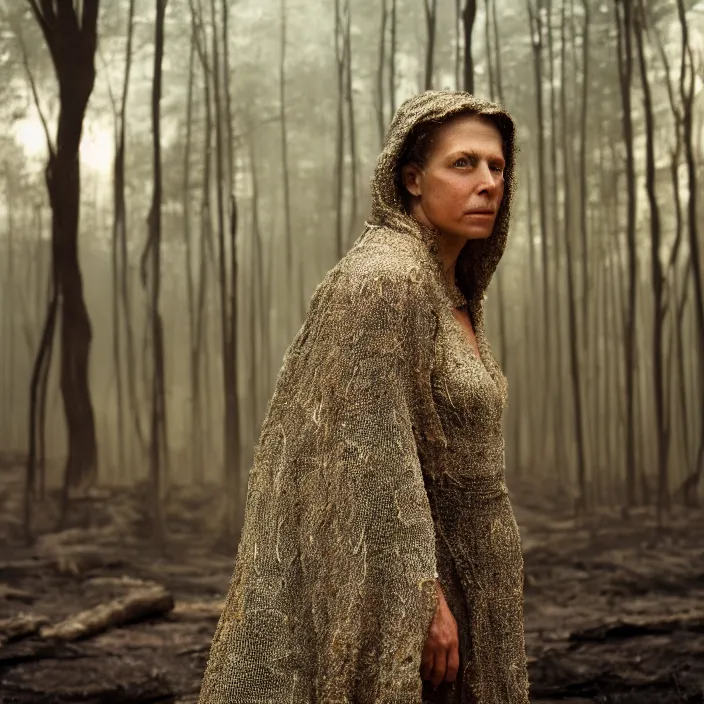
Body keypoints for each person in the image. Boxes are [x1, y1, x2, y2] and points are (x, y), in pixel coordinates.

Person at [197, 90, 529, 704]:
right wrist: (422, 600)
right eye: (463, 164)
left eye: (497, 166)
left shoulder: (447, 287)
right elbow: (368, 459)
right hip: (425, 591)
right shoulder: (384, 282)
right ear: (409, 179)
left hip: (476, 575)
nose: (487, 182)